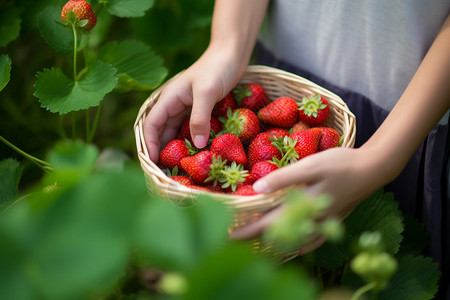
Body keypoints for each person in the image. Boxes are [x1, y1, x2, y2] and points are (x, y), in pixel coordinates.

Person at [144, 1, 450, 298]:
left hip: (414, 115)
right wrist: (227, 44)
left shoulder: (286, 123)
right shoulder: (271, 114)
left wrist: (383, 158)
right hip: (284, 58)